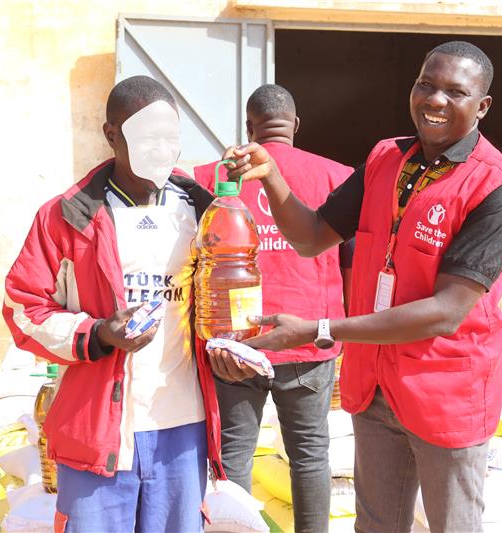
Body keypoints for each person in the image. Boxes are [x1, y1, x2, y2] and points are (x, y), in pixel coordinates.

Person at [211, 41, 502, 532]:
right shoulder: (387, 159)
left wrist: (318, 330)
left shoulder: (499, 189)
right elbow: (311, 237)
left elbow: (447, 310)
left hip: (445, 392)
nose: (435, 100)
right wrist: (272, 177)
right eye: (426, 84)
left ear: (482, 106)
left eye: (455, 92)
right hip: (375, 387)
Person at [2, 75, 224, 533]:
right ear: (111, 135)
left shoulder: (201, 210)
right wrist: (98, 334)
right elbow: (23, 308)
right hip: (97, 427)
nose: (162, 150)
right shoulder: (66, 217)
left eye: (170, 138)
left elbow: (228, 295)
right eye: (147, 138)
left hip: (182, 427)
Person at [194, 83, 354, 533]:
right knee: (310, 454)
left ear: (249, 127)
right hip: (308, 337)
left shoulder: (212, 175)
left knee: (234, 452)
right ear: (296, 125)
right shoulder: (336, 176)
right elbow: (352, 263)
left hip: (236, 343)